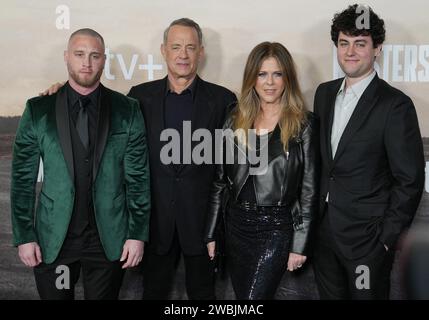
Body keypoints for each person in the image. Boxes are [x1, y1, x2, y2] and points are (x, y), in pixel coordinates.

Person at [11, 28, 150, 300]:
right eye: (79, 54)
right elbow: (22, 179)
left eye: (94, 55)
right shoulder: (39, 110)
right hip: (55, 240)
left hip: (108, 239)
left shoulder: (127, 109)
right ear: (66, 57)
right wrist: (24, 235)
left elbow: (139, 178)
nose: (87, 62)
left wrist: (137, 234)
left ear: (103, 60)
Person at [313, 4, 425, 299]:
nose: (350, 51)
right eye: (344, 43)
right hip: (324, 235)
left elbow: (410, 179)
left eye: (360, 43)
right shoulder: (324, 93)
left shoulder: (395, 105)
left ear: (377, 49)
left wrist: (386, 240)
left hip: (367, 243)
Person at [128, 18, 237, 300]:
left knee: (204, 296)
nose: (183, 55)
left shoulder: (224, 100)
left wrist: (218, 228)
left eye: (190, 47)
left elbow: (228, 169)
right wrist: (58, 92)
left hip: (203, 225)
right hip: (154, 224)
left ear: (201, 52)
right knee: (152, 293)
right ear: (164, 50)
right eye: (176, 47)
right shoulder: (138, 98)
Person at [205, 42, 320, 299]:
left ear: (287, 78)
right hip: (235, 227)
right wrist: (211, 233)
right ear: (252, 79)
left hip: (276, 229)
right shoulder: (234, 119)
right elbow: (219, 182)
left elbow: (309, 191)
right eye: (262, 74)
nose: (270, 82)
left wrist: (300, 245)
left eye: (277, 74)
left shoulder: (304, 124)